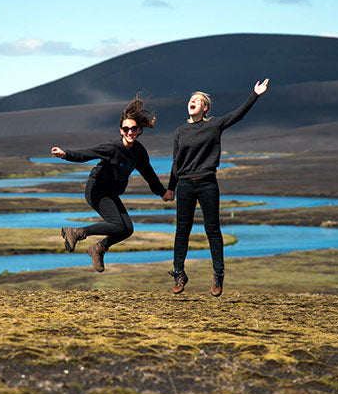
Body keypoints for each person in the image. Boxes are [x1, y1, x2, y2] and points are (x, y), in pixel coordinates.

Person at [163, 79, 269, 297]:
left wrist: (255, 95)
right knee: (182, 230)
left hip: (207, 183)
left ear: (205, 107)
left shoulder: (215, 125)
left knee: (212, 230)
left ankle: (218, 275)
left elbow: (238, 115)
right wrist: (171, 188)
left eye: (198, 100)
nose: (192, 101)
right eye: (191, 99)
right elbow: (175, 162)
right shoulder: (180, 131)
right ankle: (179, 273)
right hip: (184, 184)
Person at [51, 96, 168, 272]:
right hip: (96, 189)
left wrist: (162, 192)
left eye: (133, 128)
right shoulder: (112, 148)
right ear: (121, 130)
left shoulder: (139, 152)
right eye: (126, 129)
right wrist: (65, 154)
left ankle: (97, 248)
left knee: (127, 229)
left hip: (111, 192)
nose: (130, 132)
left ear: (138, 130)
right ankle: (76, 232)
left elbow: (149, 174)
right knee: (118, 225)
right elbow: (87, 154)